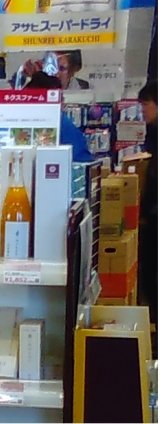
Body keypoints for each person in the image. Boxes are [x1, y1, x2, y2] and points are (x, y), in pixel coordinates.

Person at [24, 71, 93, 162]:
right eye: (60, 98)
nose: (63, 102)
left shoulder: (17, 118)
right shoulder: (60, 121)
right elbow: (81, 159)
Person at [137, 80, 158, 329]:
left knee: (151, 268)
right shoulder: (153, 131)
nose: (142, 110)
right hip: (152, 212)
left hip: (154, 215)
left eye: (146, 104)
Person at [22, 50, 90, 90]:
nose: (56, 73)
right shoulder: (37, 83)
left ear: (73, 70)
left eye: (62, 68)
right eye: (52, 67)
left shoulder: (85, 88)